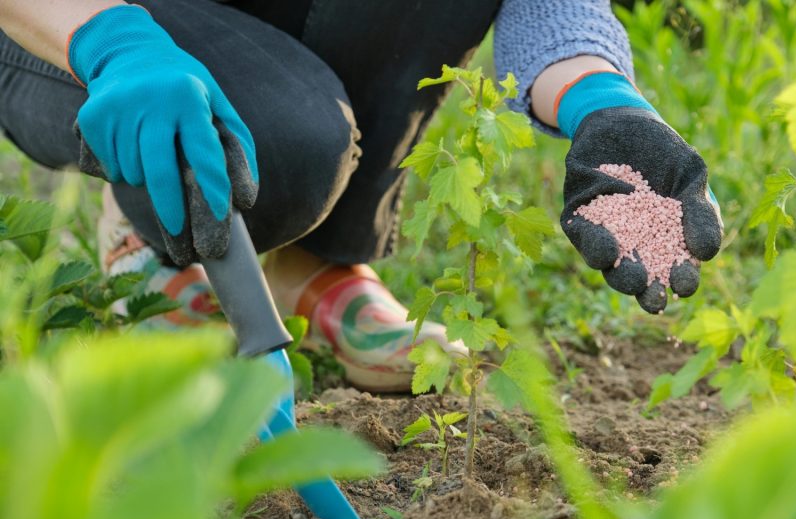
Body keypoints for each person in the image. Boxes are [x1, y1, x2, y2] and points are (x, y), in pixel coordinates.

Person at [0, 0, 723, 395]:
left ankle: (315, 258)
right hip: (69, 23)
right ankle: (153, 239)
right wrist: (112, 39)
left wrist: (603, 105)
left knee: (288, 141)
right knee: (282, 150)